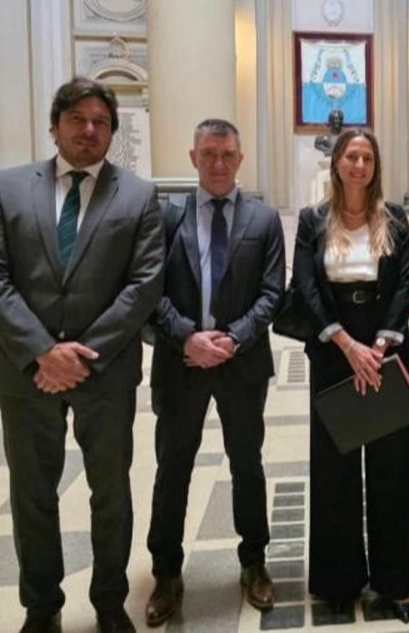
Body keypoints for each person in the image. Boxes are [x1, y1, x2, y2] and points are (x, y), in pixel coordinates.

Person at [0, 76, 163, 633]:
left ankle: (109, 602)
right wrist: (41, 352)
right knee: (32, 495)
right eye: (77, 119)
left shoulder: (138, 196)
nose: (88, 130)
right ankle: (42, 606)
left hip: (105, 371)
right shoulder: (9, 188)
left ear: (112, 132)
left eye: (100, 122)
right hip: (24, 371)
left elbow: (144, 284)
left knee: (112, 494)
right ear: (54, 126)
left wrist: (82, 354)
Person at [143, 119, 286, 626]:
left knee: (247, 463)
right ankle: (166, 573)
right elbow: (149, 289)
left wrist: (234, 338)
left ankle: (254, 562)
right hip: (181, 362)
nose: (218, 163)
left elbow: (273, 292)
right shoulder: (167, 217)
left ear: (240, 159)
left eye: (227, 154)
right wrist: (188, 337)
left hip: (241, 365)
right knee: (173, 466)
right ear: (193, 157)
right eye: (208, 154)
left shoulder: (264, 220)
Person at [291, 128, 409, 623]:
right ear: (337, 163)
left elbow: (405, 283)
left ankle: (398, 581)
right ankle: (339, 580)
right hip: (334, 350)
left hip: (384, 350)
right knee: (335, 469)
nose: (359, 165)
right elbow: (305, 285)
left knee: (393, 467)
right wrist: (346, 345)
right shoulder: (313, 220)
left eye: (368, 157)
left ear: (375, 166)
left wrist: (380, 346)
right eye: (352, 156)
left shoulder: (394, 219)